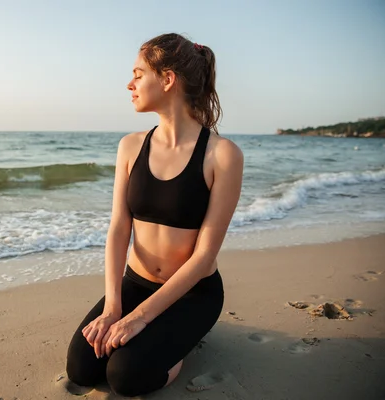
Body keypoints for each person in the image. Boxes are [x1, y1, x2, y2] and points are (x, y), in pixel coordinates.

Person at [65, 33, 244, 397]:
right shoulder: (130, 146)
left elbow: (204, 256)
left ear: (167, 79)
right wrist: (114, 307)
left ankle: (181, 344)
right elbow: (118, 228)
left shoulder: (222, 155)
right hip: (136, 284)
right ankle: (153, 335)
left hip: (193, 294)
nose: (129, 84)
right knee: (82, 368)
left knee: (126, 376)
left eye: (138, 73)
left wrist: (139, 319)